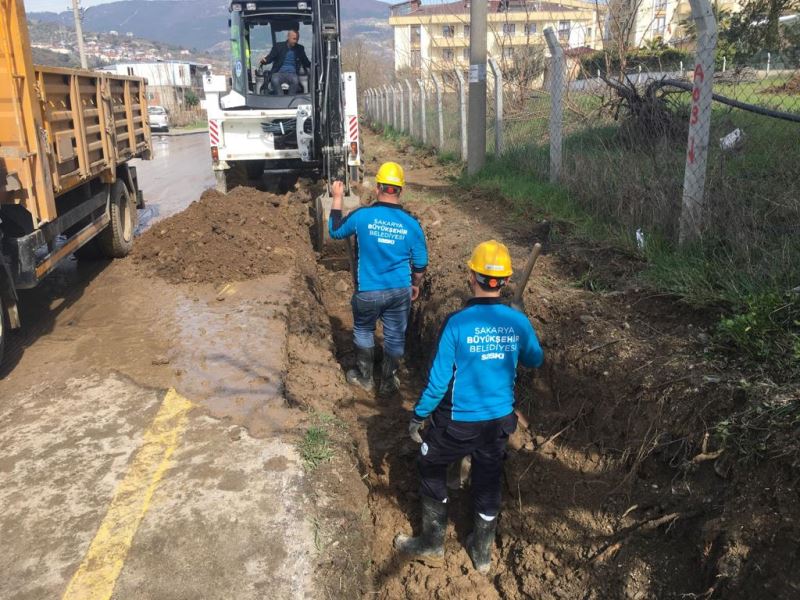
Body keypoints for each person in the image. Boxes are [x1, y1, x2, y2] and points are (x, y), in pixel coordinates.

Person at [394, 240, 544, 574]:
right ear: (505, 281)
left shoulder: (457, 323)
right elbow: (535, 359)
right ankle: (482, 552)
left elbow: (438, 383)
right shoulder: (517, 321)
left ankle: (432, 543)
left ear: (471, 276)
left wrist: (419, 415)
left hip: (457, 423)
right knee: (488, 478)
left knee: (430, 463)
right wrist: (520, 324)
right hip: (499, 423)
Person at [328, 163, 428, 396]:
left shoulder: (362, 216)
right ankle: (388, 381)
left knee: (364, 330)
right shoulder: (412, 225)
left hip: (368, 290)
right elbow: (420, 265)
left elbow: (334, 230)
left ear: (377, 188)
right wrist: (415, 285)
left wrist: (337, 197)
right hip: (400, 291)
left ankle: (365, 378)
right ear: (400, 190)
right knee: (395, 335)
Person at [260, 30, 311, 95]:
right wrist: (264, 61)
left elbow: (305, 61)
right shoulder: (278, 46)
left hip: (292, 74)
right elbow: (270, 57)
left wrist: (313, 65)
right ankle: (280, 97)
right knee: (275, 80)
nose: (296, 41)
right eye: (294, 39)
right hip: (279, 73)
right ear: (288, 37)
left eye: (297, 39)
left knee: (295, 81)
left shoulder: (300, 49)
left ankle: (290, 97)